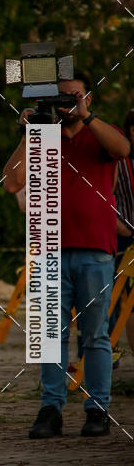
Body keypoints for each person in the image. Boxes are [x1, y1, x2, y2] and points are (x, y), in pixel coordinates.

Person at [2, 72, 130, 438]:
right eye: (60, 98)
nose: (67, 104)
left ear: (87, 97)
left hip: (95, 249)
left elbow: (123, 150)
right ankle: (50, 408)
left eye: (74, 96)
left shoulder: (101, 134)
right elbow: (12, 182)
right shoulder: (44, 136)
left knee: (96, 335)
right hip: (48, 249)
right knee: (49, 335)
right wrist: (32, 131)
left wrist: (86, 115)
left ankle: (98, 409)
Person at [111, 108, 134, 353]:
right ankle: (111, 352)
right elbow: (106, 195)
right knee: (116, 299)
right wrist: (123, 229)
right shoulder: (118, 158)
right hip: (123, 236)